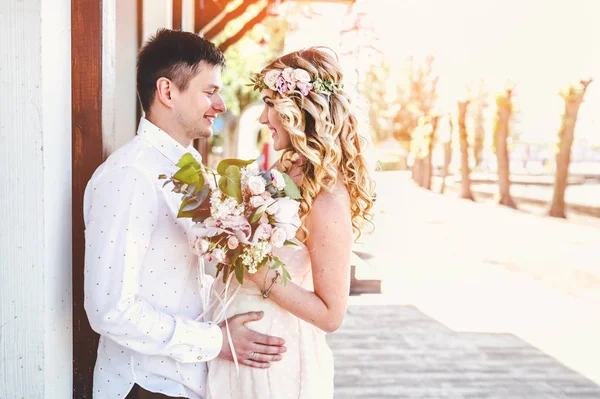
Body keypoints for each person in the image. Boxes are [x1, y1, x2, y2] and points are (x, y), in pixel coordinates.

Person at [83, 29, 286, 399]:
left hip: (188, 383)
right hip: (147, 386)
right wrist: (216, 341)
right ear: (167, 91)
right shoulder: (129, 175)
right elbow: (109, 308)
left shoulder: (187, 166)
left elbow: (187, 273)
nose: (221, 105)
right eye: (209, 92)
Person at [206, 47, 375, 398]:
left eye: (271, 104)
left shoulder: (326, 198)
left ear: (299, 110)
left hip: (276, 361)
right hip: (234, 346)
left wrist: (258, 272)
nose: (263, 118)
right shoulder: (277, 171)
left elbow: (332, 315)